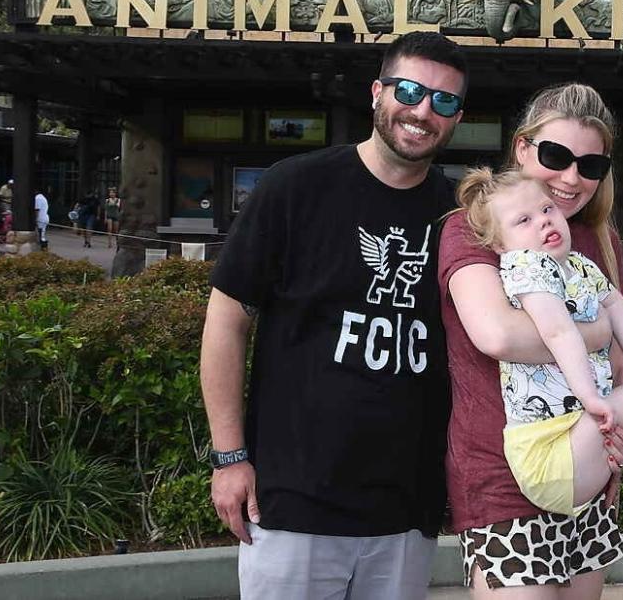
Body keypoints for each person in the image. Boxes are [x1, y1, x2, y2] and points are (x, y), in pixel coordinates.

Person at [199, 32, 468, 599]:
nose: (423, 112)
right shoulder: (295, 186)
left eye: (443, 101)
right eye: (410, 91)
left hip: (406, 509)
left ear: (457, 115)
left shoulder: (460, 216)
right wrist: (229, 457)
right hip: (294, 499)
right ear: (377, 92)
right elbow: (227, 320)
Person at [439, 83, 623, 596]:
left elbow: (622, 366)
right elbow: (500, 335)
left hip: (590, 477)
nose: (572, 179)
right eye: (556, 156)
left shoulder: (600, 242)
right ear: (523, 148)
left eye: (591, 166)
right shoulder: (477, 227)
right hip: (505, 482)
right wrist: (597, 331)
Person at [455, 168, 623, 531]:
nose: (544, 222)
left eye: (547, 209)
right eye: (524, 220)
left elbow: (616, 304)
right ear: (500, 244)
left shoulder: (576, 264)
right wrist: (590, 396)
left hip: (576, 438)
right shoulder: (527, 267)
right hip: (547, 452)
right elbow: (559, 332)